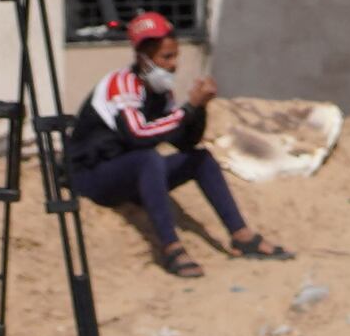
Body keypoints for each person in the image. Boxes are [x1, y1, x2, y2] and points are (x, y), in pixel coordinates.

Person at [68, 14, 289, 278]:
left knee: (201, 158)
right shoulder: (122, 85)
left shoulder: (162, 94)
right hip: (94, 175)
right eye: (166, 57)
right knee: (148, 158)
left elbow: (184, 141)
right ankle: (171, 248)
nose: (173, 65)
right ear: (143, 58)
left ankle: (241, 234)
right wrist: (187, 110)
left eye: (175, 56)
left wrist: (199, 111)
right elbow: (137, 135)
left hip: (129, 173)